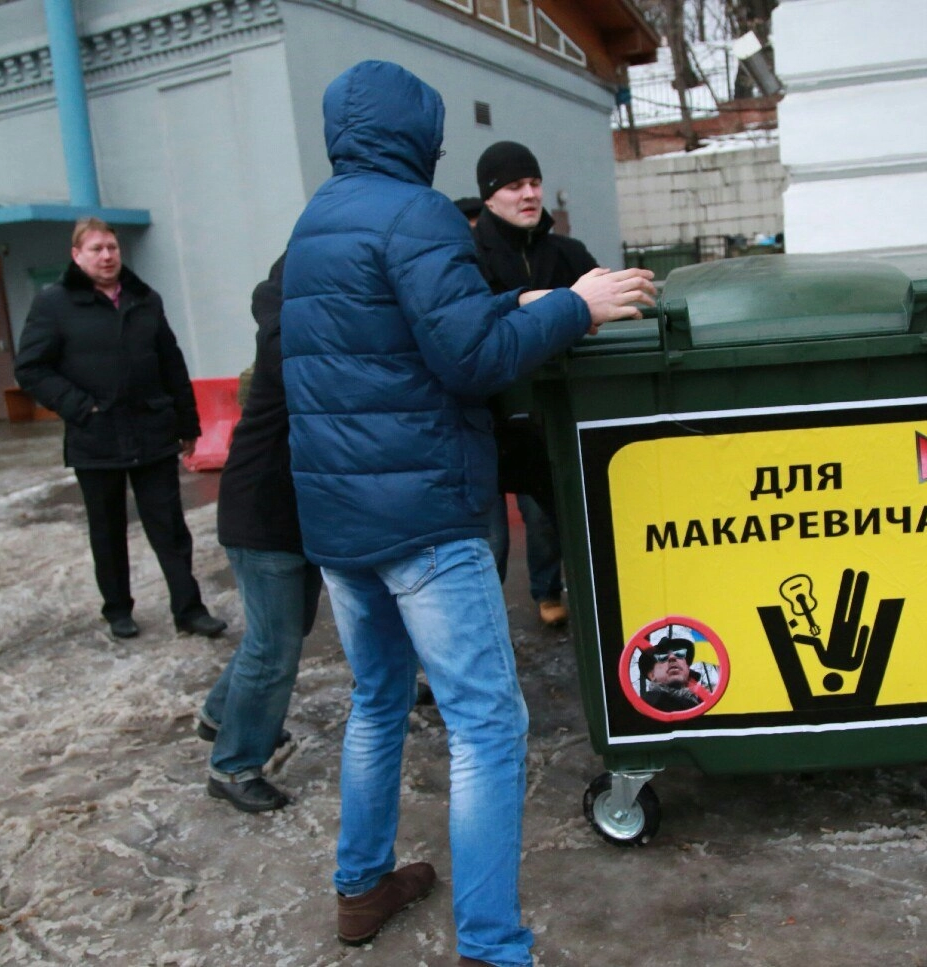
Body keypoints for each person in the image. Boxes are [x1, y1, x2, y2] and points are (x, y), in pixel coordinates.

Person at [279, 60, 654, 966]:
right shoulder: (417, 213)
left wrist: (507, 299)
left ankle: (361, 884)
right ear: (416, 134)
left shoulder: (316, 220)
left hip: (341, 517)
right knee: (488, 725)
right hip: (423, 517)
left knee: (377, 700)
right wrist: (575, 306)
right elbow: (472, 361)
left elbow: (399, 326)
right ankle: (491, 944)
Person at [15, 218, 227, 641]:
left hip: (151, 430)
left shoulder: (144, 299)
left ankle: (189, 610)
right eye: (96, 249)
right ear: (77, 255)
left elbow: (171, 362)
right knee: (108, 530)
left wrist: (187, 422)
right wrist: (81, 407)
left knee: (170, 528)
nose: (107, 256)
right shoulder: (55, 304)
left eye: (111, 247)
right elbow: (31, 369)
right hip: (96, 436)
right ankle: (117, 610)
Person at [197, 252, 319, 813]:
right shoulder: (287, 340)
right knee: (274, 645)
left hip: (293, 515)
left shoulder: (295, 328)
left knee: (281, 633)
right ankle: (233, 765)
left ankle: (220, 713)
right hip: (262, 514)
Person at [471, 141, 600, 628]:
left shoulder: (569, 253)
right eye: (513, 186)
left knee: (551, 517)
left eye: (534, 183)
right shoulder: (466, 259)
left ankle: (553, 595)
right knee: (488, 542)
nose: (528, 194)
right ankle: (483, 635)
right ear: (489, 196)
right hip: (483, 417)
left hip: (549, 414)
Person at [638, 625, 716, 713]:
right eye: (662, 657)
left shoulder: (708, 703)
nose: (672, 657)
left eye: (679, 654)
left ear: (687, 668)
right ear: (652, 675)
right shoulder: (647, 706)